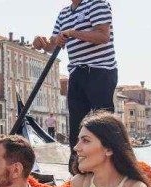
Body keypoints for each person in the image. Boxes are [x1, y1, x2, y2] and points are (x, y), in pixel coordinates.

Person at [34, 0, 118, 168]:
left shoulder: (96, 3)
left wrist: (73, 33)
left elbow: (103, 36)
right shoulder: (64, 13)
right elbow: (54, 44)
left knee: (104, 123)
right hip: (77, 73)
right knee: (76, 126)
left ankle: (114, 166)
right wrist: (42, 43)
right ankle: (77, 169)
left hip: (100, 70)